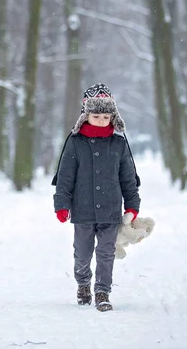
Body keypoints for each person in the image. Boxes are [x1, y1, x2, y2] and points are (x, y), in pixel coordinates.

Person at [53, 83, 140, 311]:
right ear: (86, 115)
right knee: (82, 252)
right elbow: (65, 177)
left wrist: (132, 206)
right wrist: (61, 204)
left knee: (106, 252)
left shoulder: (119, 144)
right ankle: (83, 284)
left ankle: (103, 291)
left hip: (110, 210)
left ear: (113, 116)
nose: (102, 119)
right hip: (82, 210)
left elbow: (128, 179)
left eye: (106, 115)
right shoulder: (74, 143)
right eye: (96, 115)